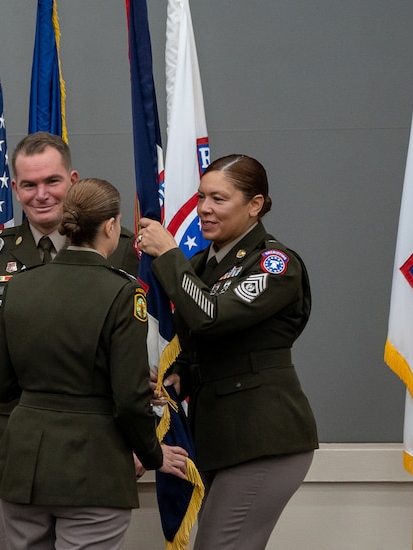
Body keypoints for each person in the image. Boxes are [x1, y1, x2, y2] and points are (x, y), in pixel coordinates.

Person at [0, 178, 188, 549]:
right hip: (94, 468)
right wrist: (151, 453)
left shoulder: (20, 286)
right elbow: (128, 400)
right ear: (111, 225)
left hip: (23, 464)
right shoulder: (124, 293)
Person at [0, 132, 138, 547]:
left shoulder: (125, 249)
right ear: (15, 188)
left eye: (52, 182)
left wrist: (137, 443)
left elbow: (132, 359)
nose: (42, 195)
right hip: (12, 446)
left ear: (72, 180)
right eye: (29, 185)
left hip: (97, 445)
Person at [137, 154, 318, 550]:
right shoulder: (202, 265)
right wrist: (177, 376)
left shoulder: (274, 264)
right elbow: (199, 343)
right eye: (202, 196)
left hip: (263, 437)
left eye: (218, 199)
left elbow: (212, 318)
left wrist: (169, 255)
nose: (203, 208)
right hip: (220, 437)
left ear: (254, 205)